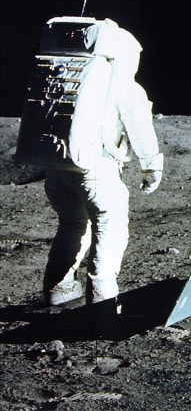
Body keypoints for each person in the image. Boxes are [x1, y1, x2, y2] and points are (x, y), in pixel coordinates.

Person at [41, 23, 164, 306]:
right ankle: (102, 297)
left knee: (72, 224)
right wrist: (151, 166)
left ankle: (57, 289)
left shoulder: (62, 75)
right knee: (110, 223)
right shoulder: (122, 84)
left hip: (58, 168)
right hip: (95, 168)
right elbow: (140, 129)